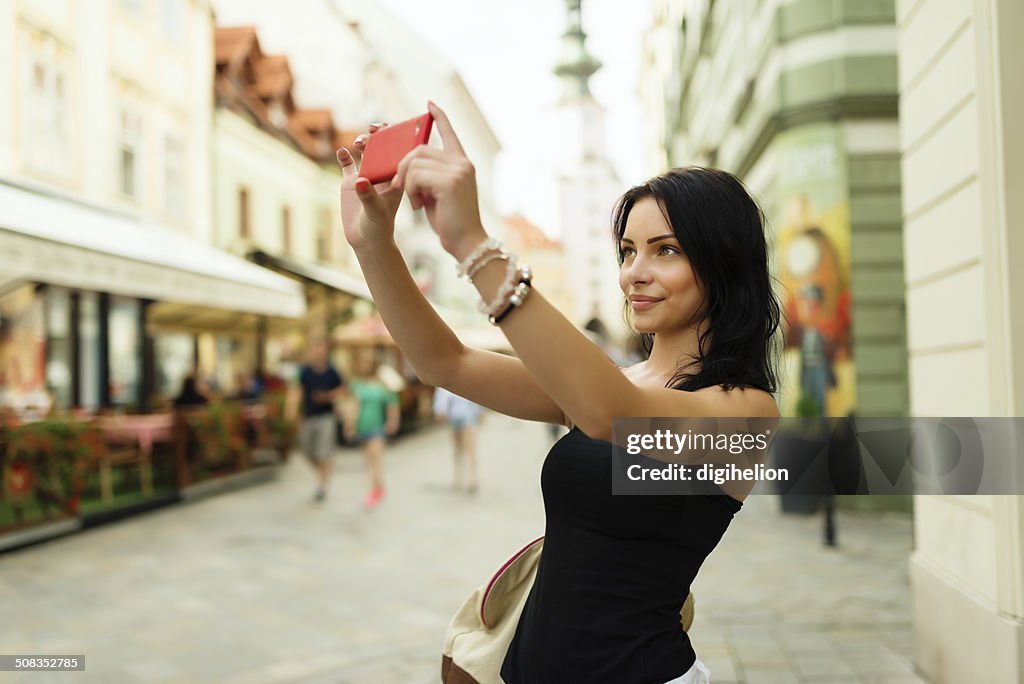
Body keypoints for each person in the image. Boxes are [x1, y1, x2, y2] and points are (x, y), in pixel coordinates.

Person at [336, 103, 780, 683]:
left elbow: (610, 416)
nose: (634, 273)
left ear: (724, 263)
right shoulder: (612, 381)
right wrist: (373, 244)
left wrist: (475, 245)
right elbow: (445, 361)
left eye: (665, 250)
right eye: (627, 251)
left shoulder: (745, 409)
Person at [343, 351, 399, 509]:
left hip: (377, 428)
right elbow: (351, 406)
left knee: (376, 461)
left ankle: (374, 491)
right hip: (362, 427)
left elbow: (392, 403)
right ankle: (378, 488)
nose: (364, 366)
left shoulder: (381, 384)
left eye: (366, 363)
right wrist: (349, 425)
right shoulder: (355, 385)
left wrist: (392, 421)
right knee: (368, 462)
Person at [298, 340, 345, 503]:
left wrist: (326, 397)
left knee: (323, 452)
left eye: (321, 350)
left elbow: (342, 390)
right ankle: (323, 473)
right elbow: (298, 390)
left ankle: (322, 485)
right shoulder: (305, 372)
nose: (318, 353)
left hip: (326, 417)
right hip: (308, 416)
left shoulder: (332, 372)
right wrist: (292, 410)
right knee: (307, 451)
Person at [432, 386, 483, 493]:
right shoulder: (444, 386)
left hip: (467, 418)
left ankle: (472, 477)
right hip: (454, 419)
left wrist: (478, 414)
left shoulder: (462, 382)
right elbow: (440, 404)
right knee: (458, 449)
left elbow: (475, 400)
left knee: (469, 449)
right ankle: (459, 476)